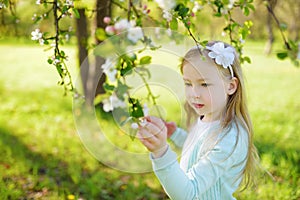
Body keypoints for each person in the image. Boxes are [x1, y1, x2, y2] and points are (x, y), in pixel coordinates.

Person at [137, 41, 258, 200]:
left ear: (231, 86)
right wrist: (176, 135)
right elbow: (199, 147)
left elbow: (187, 193)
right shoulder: (207, 117)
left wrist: (161, 153)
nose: (194, 93)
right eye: (188, 83)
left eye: (204, 84)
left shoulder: (230, 137)